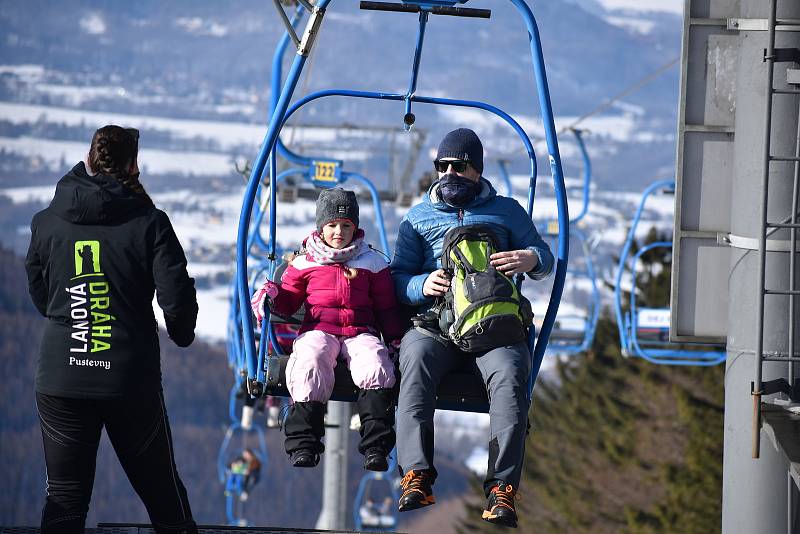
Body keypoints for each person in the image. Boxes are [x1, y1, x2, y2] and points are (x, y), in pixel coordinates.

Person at [25, 125, 199, 533]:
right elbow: (175, 299)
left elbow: (40, 291)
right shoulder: (150, 222)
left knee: (65, 501)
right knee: (163, 497)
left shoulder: (48, 220)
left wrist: (72, 318)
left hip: (60, 376)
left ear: (88, 160)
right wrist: (182, 333)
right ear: (133, 165)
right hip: (127, 380)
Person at [390, 128, 554, 528]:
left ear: (476, 169)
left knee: (512, 376)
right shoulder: (418, 218)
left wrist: (529, 259)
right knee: (414, 362)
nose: (449, 174)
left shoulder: (507, 211)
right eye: (442, 166)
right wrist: (420, 284)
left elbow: (546, 257)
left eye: (459, 166)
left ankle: (502, 487)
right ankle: (416, 475)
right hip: (437, 325)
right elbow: (396, 277)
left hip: (493, 327)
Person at [251, 188, 403, 471]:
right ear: (321, 227)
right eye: (332, 225)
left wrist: (395, 339)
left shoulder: (371, 262)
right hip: (319, 328)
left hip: (360, 331)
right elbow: (288, 301)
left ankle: (376, 446)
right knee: (310, 361)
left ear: (355, 227)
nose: (339, 232)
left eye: (346, 226)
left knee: (376, 364)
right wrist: (272, 295)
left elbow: (385, 307)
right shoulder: (306, 262)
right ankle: (303, 443)